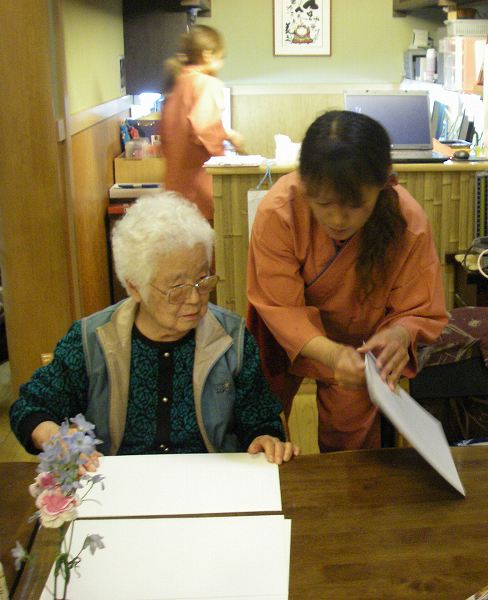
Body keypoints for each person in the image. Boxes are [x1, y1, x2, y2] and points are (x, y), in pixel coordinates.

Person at [10, 193, 298, 464]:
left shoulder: (232, 337)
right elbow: (30, 407)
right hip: (120, 484)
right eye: (177, 288)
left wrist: (264, 438)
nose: (195, 299)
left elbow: (260, 419)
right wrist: (52, 435)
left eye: (202, 280)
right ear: (135, 287)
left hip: (211, 481)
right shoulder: (91, 340)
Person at [246, 110, 448, 452]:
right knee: (263, 423)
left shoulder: (407, 221)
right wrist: (331, 354)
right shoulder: (279, 211)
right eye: (323, 203)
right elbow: (280, 308)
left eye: (356, 205)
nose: (338, 219)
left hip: (360, 346)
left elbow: (418, 305)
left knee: (350, 445)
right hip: (286, 338)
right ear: (305, 183)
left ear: (382, 184)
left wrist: (399, 334)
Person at [160, 24, 244, 222]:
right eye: (221, 57)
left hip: (174, 188)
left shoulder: (177, 83)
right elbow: (204, 129)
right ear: (208, 55)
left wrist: (225, 134)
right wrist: (229, 140)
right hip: (199, 189)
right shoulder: (207, 84)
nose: (222, 64)